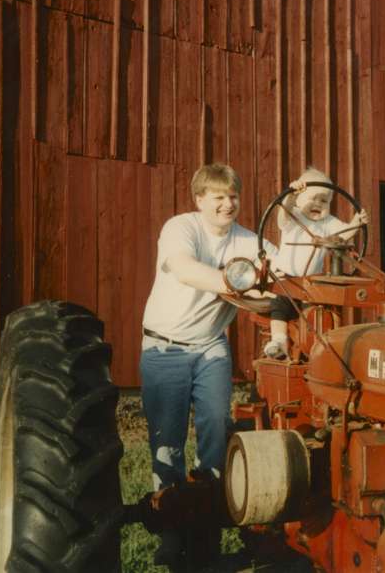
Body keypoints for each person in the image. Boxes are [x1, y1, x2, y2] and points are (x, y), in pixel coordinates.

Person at [140, 163, 273, 566]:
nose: (227, 204)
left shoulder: (248, 239)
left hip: (211, 346)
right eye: (218, 197)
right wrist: (238, 281)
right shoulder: (181, 229)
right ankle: (170, 525)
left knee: (216, 428)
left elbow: (284, 271)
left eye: (233, 196)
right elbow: (184, 269)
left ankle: (208, 516)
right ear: (200, 200)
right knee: (168, 439)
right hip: (166, 347)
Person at [264, 167, 369, 359]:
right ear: (299, 199)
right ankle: (278, 342)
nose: (318, 204)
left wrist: (356, 222)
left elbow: (343, 235)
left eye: (324, 201)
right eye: (313, 198)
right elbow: (282, 215)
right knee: (279, 310)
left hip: (310, 285)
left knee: (314, 315)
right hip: (284, 280)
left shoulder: (327, 222)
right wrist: (291, 196)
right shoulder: (294, 215)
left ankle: (317, 352)